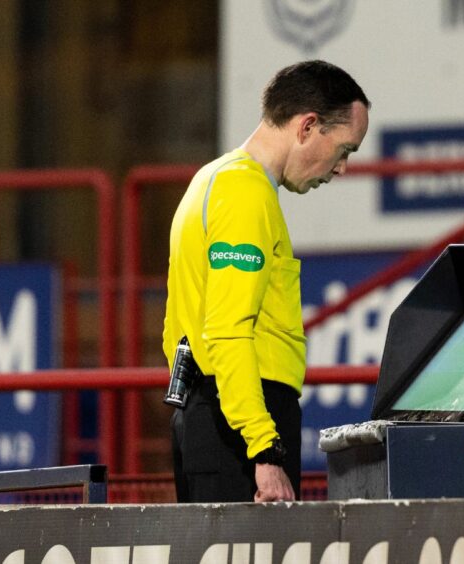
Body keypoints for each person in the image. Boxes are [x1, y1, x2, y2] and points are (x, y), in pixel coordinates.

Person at [163, 60, 370, 502]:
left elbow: (176, 332)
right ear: (307, 126)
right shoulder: (245, 194)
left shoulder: (210, 180)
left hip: (211, 414)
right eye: (345, 149)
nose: (342, 169)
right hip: (238, 431)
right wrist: (263, 448)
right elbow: (226, 330)